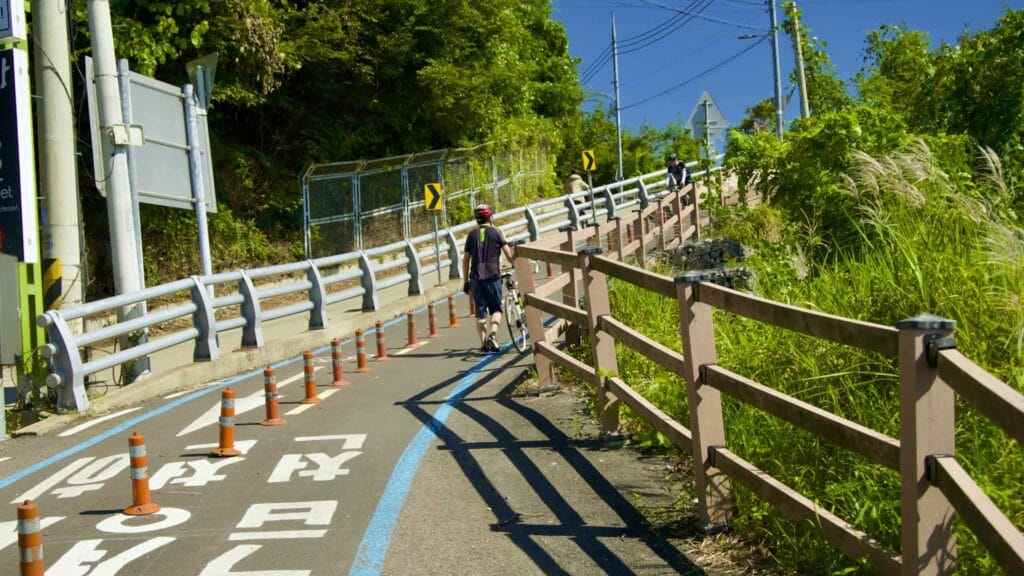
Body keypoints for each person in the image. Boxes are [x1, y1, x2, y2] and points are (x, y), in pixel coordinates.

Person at [462, 204, 515, 353]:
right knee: (496, 309)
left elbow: (465, 260)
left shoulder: (471, 235)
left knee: (480, 313)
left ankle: (484, 344)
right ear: (490, 217)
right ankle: (493, 334)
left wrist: (465, 281)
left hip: (476, 279)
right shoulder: (496, 233)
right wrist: (516, 260)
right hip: (493, 277)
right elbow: (509, 255)